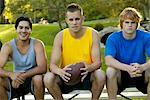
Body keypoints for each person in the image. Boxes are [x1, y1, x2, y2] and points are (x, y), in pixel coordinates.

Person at [44, 3, 105, 100]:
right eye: (71, 20)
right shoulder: (60, 36)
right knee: (48, 78)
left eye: (77, 19)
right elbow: (52, 65)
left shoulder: (92, 34)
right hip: (67, 77)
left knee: (100, 74)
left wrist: (88, 68)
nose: (74, 23)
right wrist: (61, 72)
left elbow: (98, 62)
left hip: (87, 76)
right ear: (66, 21)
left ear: (83, 19)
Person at [105, 7, 150, 100]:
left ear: (137, 24)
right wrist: (127, 68)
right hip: (121, 74)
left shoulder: (146, 36)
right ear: (121, 24)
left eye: (133, 22)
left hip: (140, 72)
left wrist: (143, 67)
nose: (130, 25)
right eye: (127, 22)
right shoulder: (113, 38)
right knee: (110, 71)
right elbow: (108, 60)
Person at [0, 16, 47, 100]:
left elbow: (43, 68)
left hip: (32, 79)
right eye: (21, 28)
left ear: (30, 30)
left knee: (38, 78)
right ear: (16, 29)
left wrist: (23, 76)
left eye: (27, 28)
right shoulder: (8, 46)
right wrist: (11, 75)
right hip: (15, 78)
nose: (24, 31)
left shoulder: (37, 44)